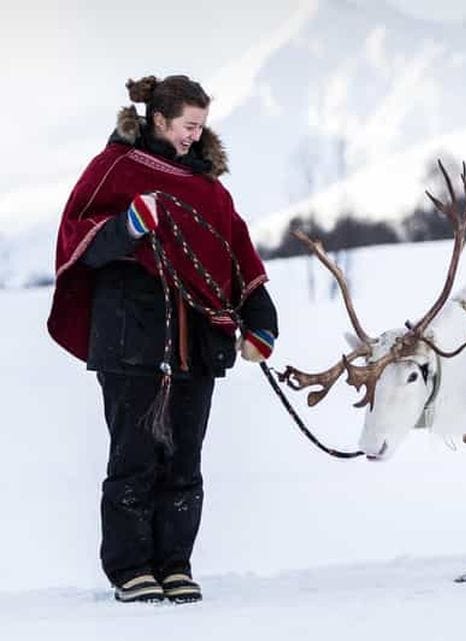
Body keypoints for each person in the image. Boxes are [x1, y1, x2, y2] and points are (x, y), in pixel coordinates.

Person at [47, 75, 279, 604]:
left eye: (201, 127)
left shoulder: (210, 189)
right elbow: (79, 242)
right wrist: (127, 225)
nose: (194, 137)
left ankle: (175, 564)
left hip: (197, 344)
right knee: (134, 458)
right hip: (132, 340)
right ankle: (130, 570)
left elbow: (237, 252)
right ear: (159, 119)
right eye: (187, 126)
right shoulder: (115, 170)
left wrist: (261, 318)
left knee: (184, 461)